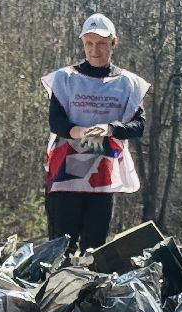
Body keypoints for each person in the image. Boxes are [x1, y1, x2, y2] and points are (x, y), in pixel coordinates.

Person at [41, 13, 150, 251]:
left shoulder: (128, 83)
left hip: (102, 177)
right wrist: (80, 131)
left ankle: (89, 286)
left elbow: (139, 126)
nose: (94, 50)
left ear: (113, 43)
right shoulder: (64, 78)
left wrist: (110, 129)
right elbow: (55, 122)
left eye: (101, 43)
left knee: (94, 246)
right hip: (65, 175)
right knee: (61, 246)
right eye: (89, 43)